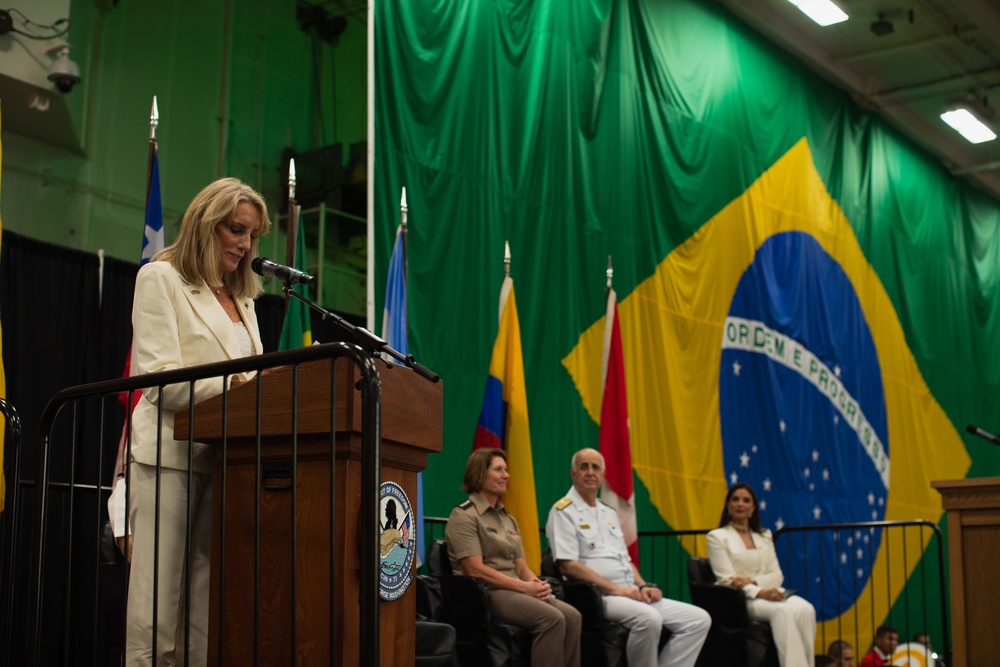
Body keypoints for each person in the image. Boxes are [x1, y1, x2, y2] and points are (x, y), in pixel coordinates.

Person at [125, 178, 271, 666]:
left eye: (252, 235)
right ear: (206, 223)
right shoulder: (161, 279)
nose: (246, 244)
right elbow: (158, 380)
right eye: (236, 230)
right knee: (157, 608)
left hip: (230, 465)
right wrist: (239, 389)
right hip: (170, 459)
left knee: (205, 613)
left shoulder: (245, 299)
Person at [546, 448, 711, 667]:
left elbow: (625, 560)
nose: (590, 472)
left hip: (628, 593)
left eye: (596, 467)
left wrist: (644, 585)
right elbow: (568, 566)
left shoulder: (608, 512)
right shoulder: (562, 511)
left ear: (603, 475)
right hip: (598, 597)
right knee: (649, 619)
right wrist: (617, 590)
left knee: (698, 619)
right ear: (573, 474)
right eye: (583, 466)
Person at [445, 447, 581, 667]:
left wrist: (535, 583)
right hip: (487, 593)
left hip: (515, 588)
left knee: (573, 616)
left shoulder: (508, 519)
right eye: (498, 470)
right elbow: (475, 569)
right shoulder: (464, 516)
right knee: (552, 619)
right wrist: (524, 588)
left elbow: (521, 567)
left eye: (506, 470)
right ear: (480, 474)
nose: (506, 475)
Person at [707, 482, 816, 667]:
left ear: (753, 508)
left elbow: (777, 575)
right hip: (741, 599)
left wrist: (752, 580)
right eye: (735, 499)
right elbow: (725, 579)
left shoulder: (764, 535)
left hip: (771, 590)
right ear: (728, 505)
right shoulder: (717, 536)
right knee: (783, 611)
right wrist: (759, 592)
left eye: (746, 500)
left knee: (806, 610)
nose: (740, 504)